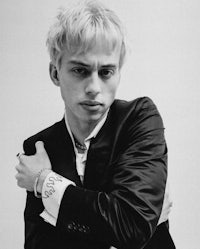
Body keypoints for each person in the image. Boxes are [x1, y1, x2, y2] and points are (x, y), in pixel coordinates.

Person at [15, 0, 175, 248]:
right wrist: (118, 221)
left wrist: (45, 182)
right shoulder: (40, 147)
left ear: (119, 72)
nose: (93, 88)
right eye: (80, 70)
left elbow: (131, 226)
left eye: (106, 72)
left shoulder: (139, 119)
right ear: (55, 73)